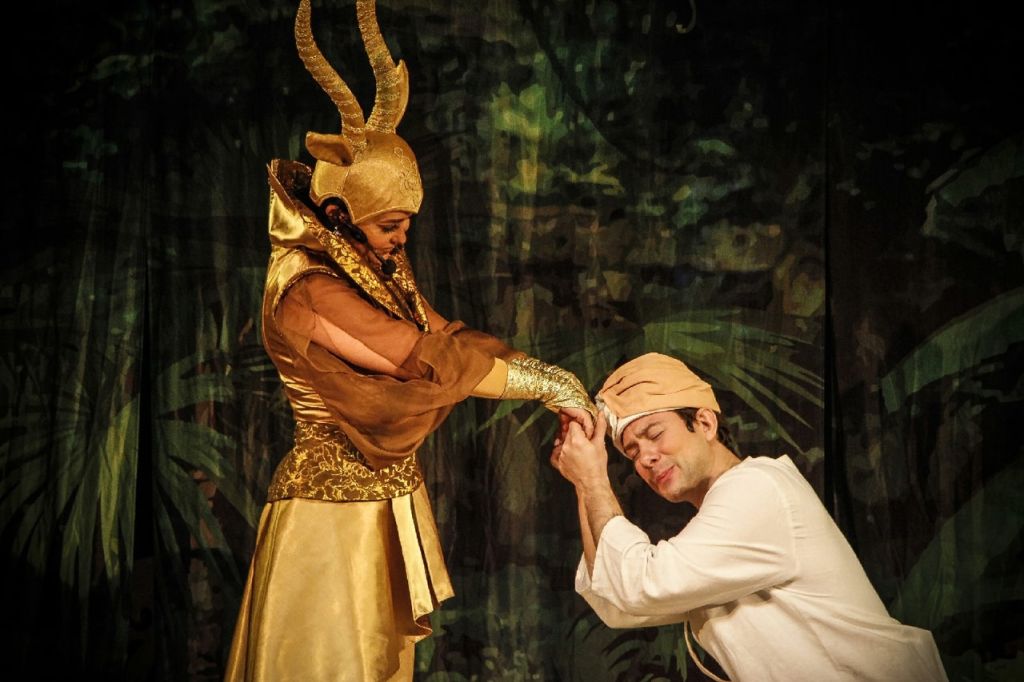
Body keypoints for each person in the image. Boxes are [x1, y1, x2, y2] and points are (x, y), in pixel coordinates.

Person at [224, 1, 594, 680]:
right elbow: (421, 359)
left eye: (405, 226)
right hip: (330, 512)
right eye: (390, 226)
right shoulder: (309, 288)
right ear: (338, 213)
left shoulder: (370, 269)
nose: (401, 241)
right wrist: (543, 385)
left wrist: (541, 372)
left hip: (383, 503)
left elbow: (447, 334)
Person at [552, 352, 947, 682]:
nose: (646, 458)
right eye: (633, 452)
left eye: (654, 435)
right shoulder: (723, 522)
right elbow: (620, 602)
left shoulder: (757, 488)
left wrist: (593, 477)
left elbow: (641, 585)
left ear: (705, 423)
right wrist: (584, 483)